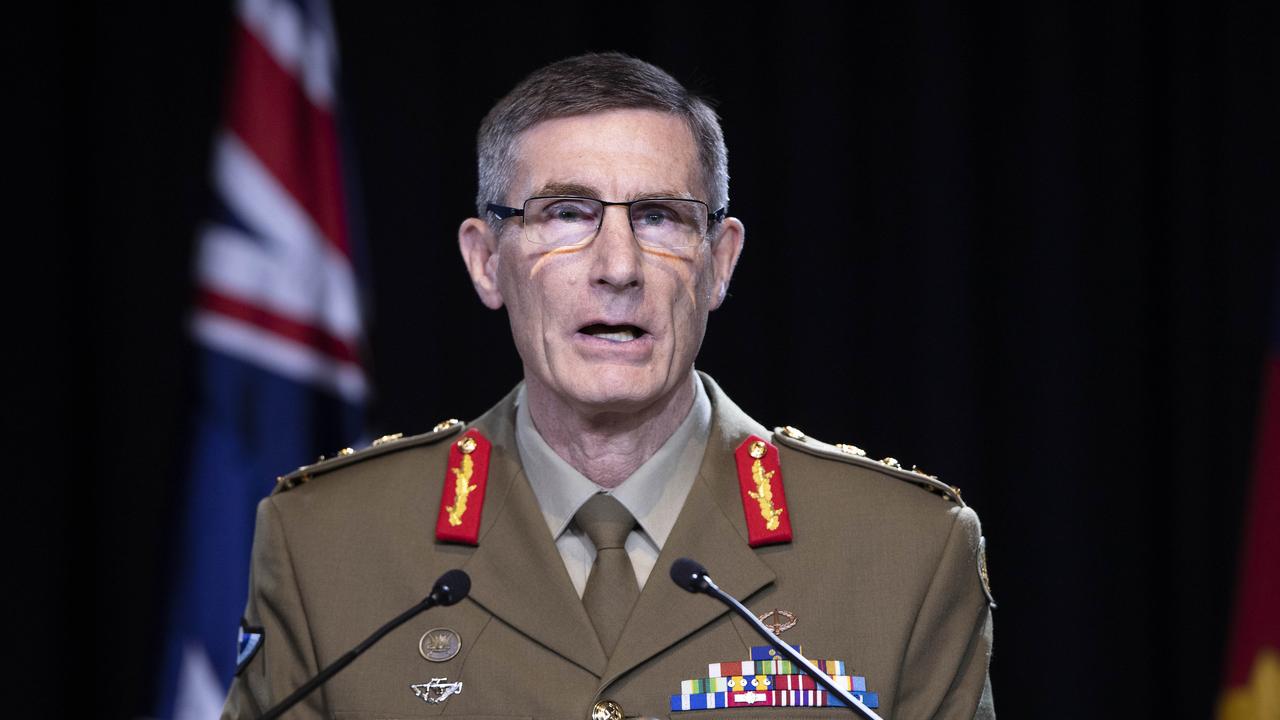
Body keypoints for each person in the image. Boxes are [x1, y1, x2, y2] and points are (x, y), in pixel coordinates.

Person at [223, 52, 995, 720]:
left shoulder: (904, 556)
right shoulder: (325, 548)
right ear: (486, 259)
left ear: (720, 261)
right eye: (566, 214)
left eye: (659, 217)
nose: (618, 266)